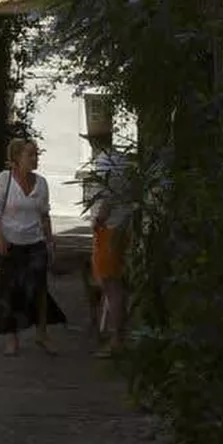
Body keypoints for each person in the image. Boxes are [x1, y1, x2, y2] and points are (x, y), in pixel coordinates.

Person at [0, 137, 68, 356]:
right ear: (16, 157)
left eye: (36, 154)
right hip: (10, 244)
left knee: (39, 290)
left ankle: (42, 334)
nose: (35, 159)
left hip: (35, 243)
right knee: (9, 291)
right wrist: (0, 236)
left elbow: (44, 215)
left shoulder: (41, 183)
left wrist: (50, 242)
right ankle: (11, 338)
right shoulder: (4, 180)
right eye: (30, 155)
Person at [86, 146, 134, 355]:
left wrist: (98, 221)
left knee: (111, 285)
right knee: (117, 285)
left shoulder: (108, 162)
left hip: (109, 231)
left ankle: (116, 339)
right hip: (122, 228)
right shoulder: (122, 160)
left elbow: (107, 197)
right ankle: (117, 334)